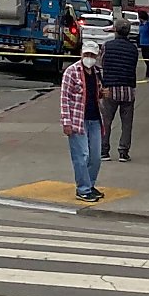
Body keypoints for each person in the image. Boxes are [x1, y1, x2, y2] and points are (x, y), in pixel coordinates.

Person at [58, 42, 105, 203]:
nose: (89, 59)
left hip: (95, 119)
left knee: (96, 156)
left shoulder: (97, 72)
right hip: (78, 120)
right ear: (81, 54)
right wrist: (66, 122)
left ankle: (90, 185)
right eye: (87, 55)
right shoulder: (71, 72)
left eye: (92, 55)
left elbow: (95, 94)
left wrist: (102, 93)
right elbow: (64, 98)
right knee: (82, 155)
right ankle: (83, 189)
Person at [99, 15, 140, 161]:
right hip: (128, 89)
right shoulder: (133, 49)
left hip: (110, 88)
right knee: (127, 123)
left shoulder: (107, 46)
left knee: (106, 121)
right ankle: (123, 151)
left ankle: (104, 151)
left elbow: (102, 64)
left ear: (115, 31)